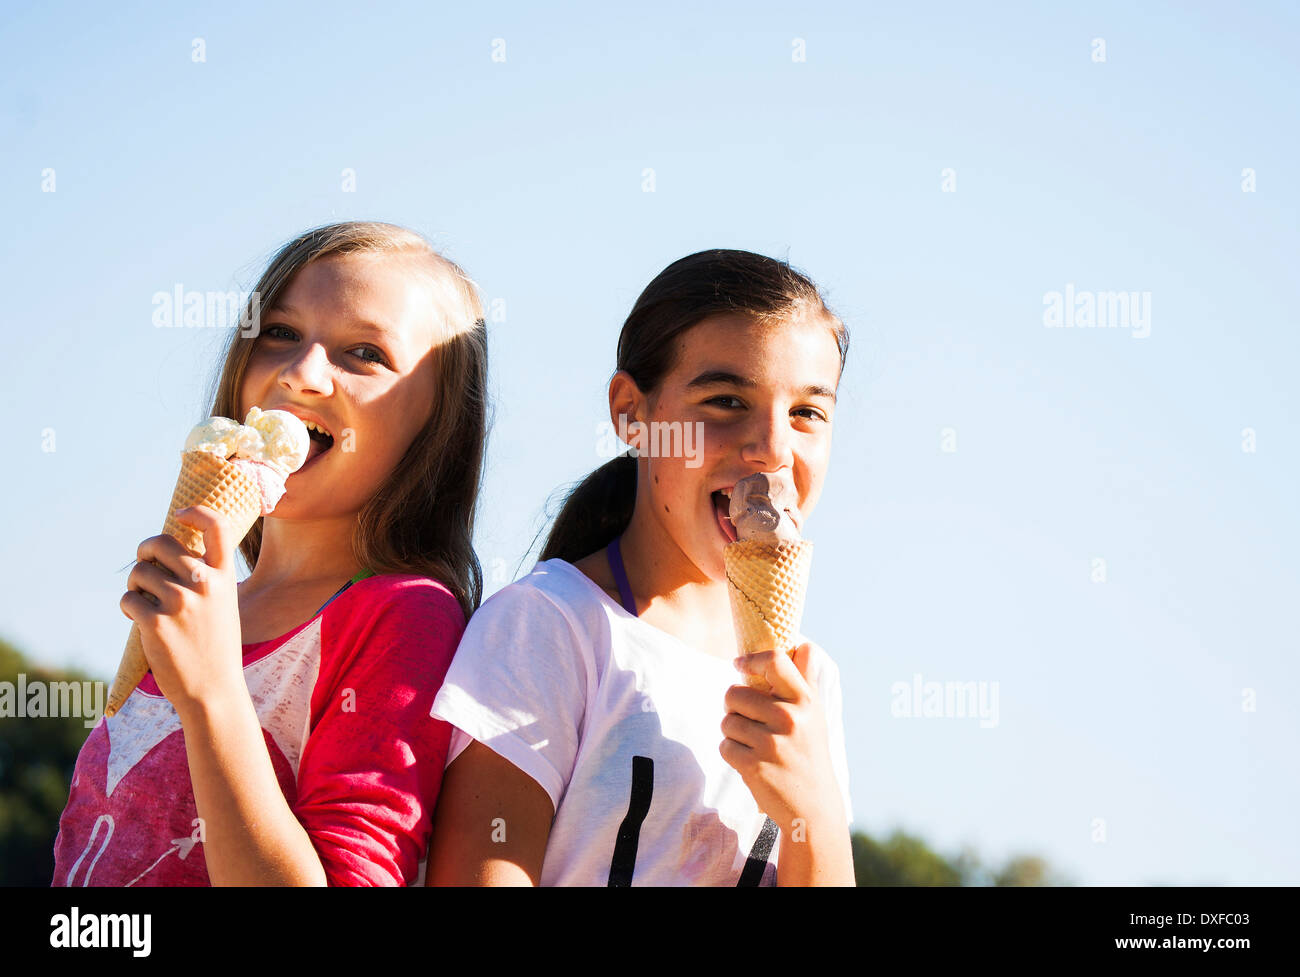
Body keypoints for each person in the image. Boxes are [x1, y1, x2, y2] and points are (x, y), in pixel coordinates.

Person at [53, 221, 488, 886]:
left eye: (365, 353)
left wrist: (212, 693)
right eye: (279, 332)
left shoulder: (404, 615)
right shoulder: (202, 608)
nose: (300, 372)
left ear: (439, 422)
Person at [426, 249, 854, 886]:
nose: (771, 448)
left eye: (807, 413)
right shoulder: (549, 626)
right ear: (632, 413)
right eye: (726, 399)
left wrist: (814, 814)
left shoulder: (809, 684)